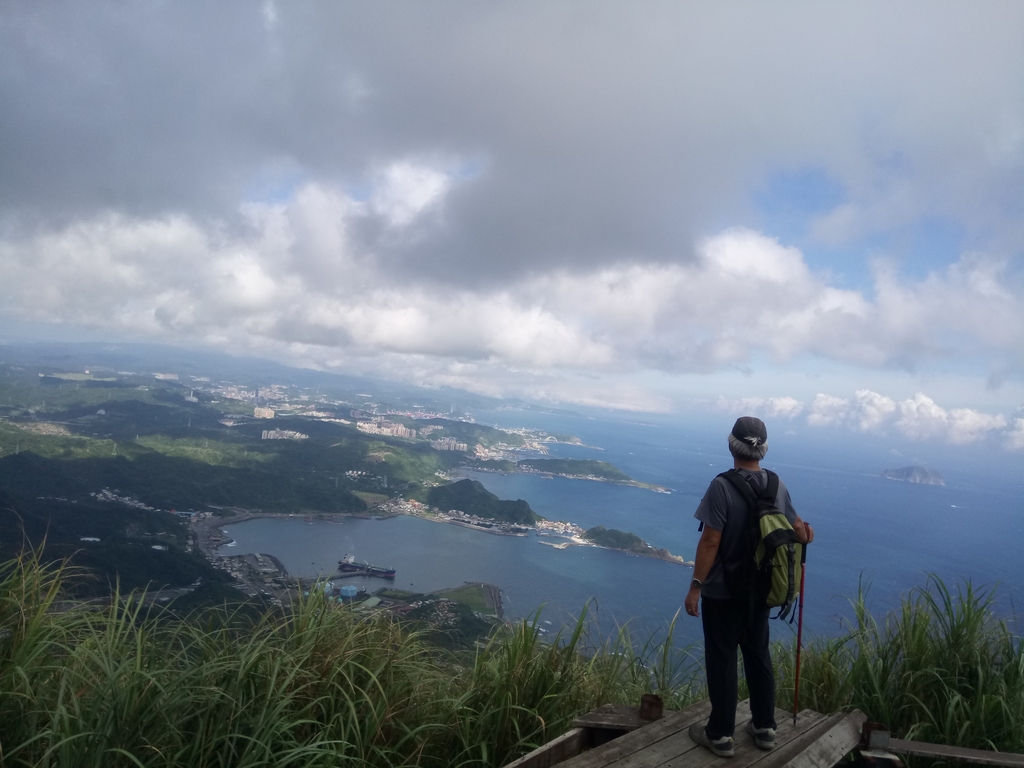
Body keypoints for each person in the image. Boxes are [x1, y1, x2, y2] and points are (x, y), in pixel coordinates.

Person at [685, 416, 814, 757]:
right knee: (758, 655)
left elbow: (710, 541)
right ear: (764, 449)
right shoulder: (776, 484)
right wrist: (805, 534)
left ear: (731, 444)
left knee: (722, 658)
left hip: (724, 590)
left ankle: (720, 734)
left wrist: (696, 586)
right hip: (761, 591)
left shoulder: (721, 486)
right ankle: (764, 726)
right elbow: (798, 530)